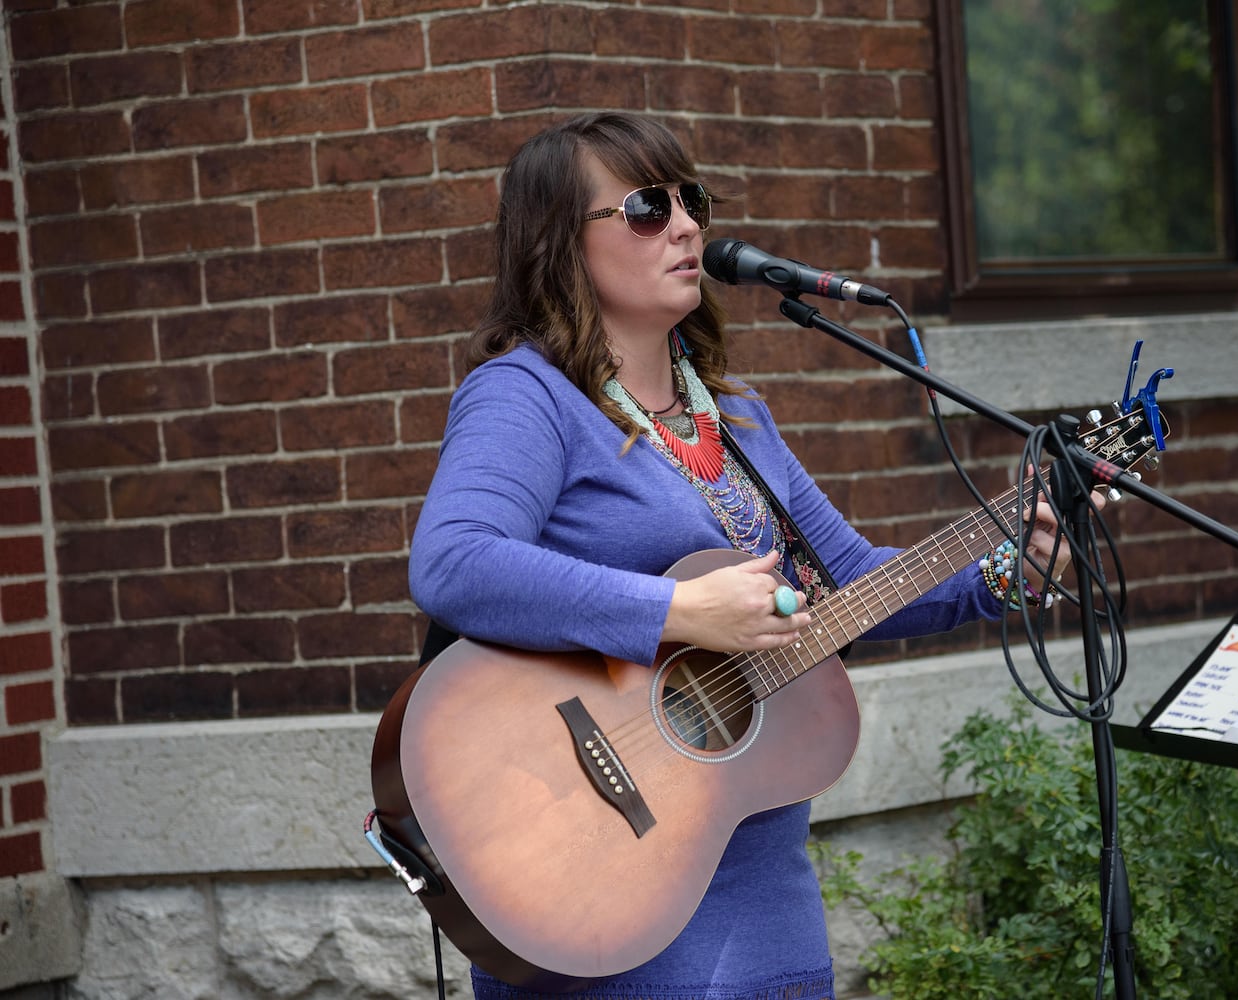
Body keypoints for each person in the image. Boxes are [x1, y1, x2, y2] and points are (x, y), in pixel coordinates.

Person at [407, 111, 1085, 1000]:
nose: (688, 225)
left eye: (694, 200)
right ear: (560, 245)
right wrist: (677, 614)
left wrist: (1009, 567)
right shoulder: (527, 396)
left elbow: (853, 587)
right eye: (649, 208)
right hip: (597, 860)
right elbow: (454, 562)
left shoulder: (741, 418)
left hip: (760, 873)